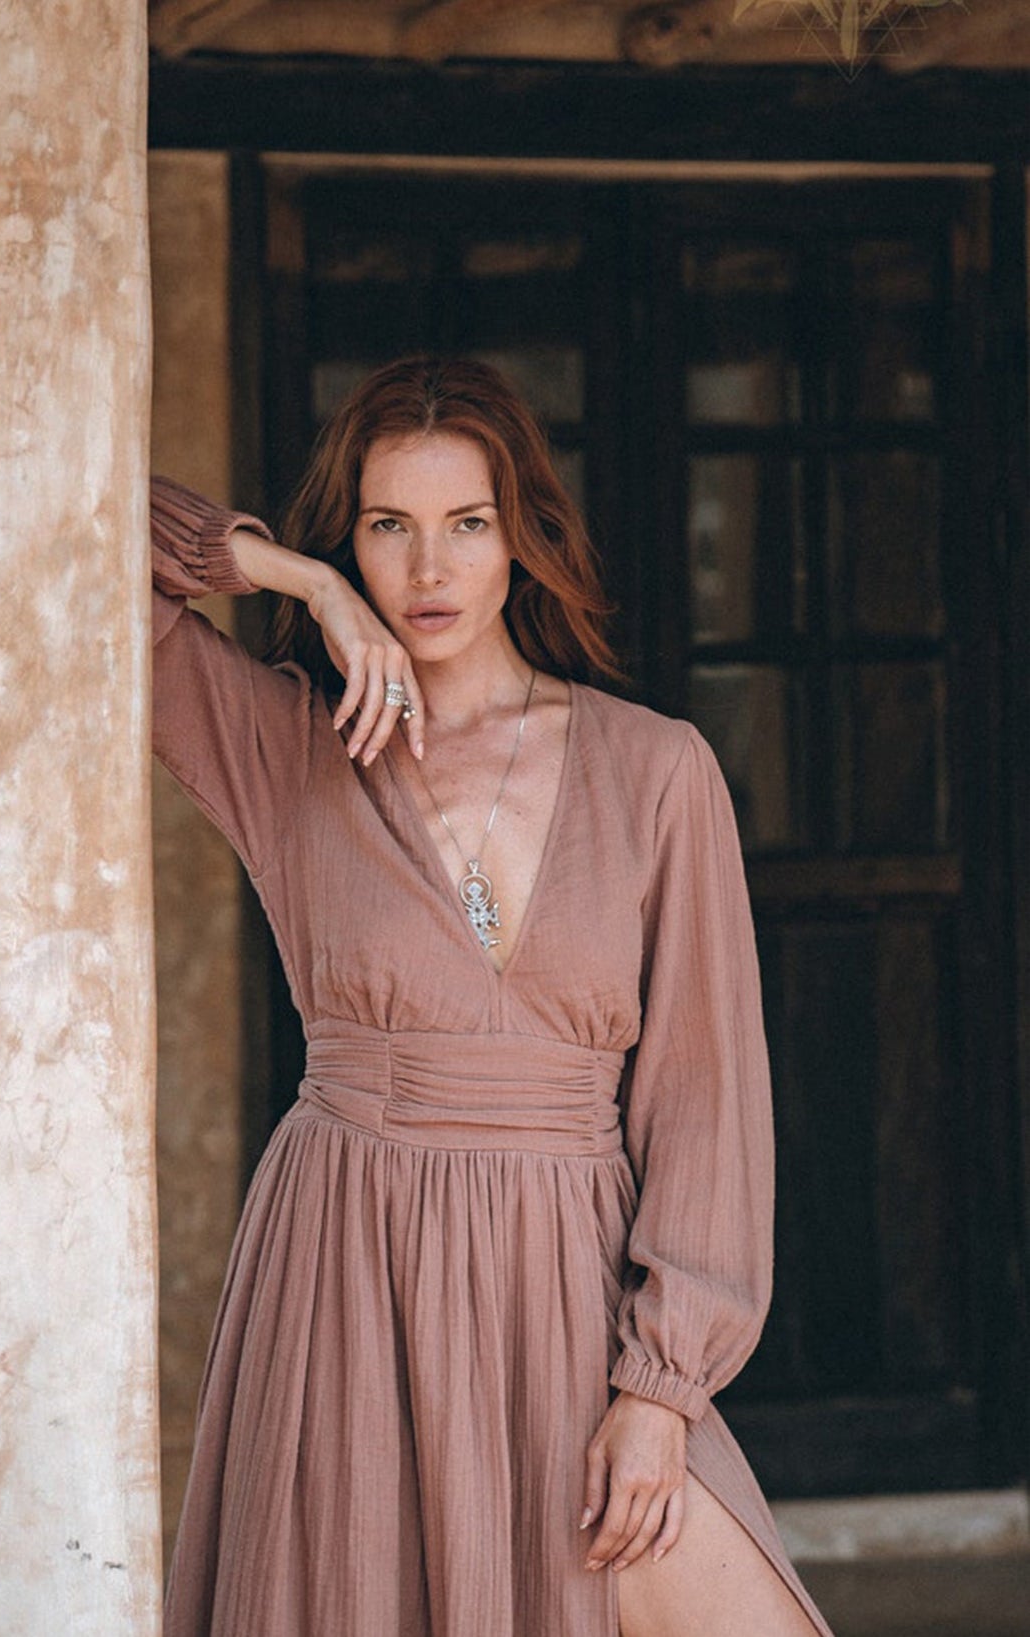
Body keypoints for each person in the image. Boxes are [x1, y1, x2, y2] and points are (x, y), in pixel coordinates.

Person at [150, 356, 833, 1637]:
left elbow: (705, 1096)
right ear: (348, 539)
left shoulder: (656, 771)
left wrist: (662, 1390)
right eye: (385, 527)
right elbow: (63, 543)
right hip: (349, 1263)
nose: (428, 569)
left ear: (520, 536)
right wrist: (293, 584)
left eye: (468, 523)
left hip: (573, 1291)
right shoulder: (284, 744)